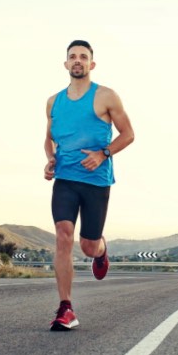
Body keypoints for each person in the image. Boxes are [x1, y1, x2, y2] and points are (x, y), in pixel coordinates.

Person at [44, 40, 135, 331]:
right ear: (66, 64)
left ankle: (101, 248)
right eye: (72, 57)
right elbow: (49, 138)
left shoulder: (106, 96)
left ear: (91, 64)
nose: (78, 61)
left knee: (87, 246)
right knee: (63, 234)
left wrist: (102, 153)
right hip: (66, 180)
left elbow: (129, 134)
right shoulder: (53, 102)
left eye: (83, 57)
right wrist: (50, 159)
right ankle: (66, 308)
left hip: (96, 181)